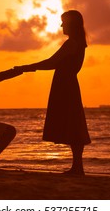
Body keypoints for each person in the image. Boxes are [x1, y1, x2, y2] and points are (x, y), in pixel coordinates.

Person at [15, 10, 91, 175]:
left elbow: (51, 62)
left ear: (71, 24)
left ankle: (78, 167)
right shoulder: (78, 42)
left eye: (64, 22)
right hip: (67, 84)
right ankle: (77, 166)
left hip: (65, 85)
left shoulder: (72, 43)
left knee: (73, 125)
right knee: (73, 124)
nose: (61, 25)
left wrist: (26, 68)